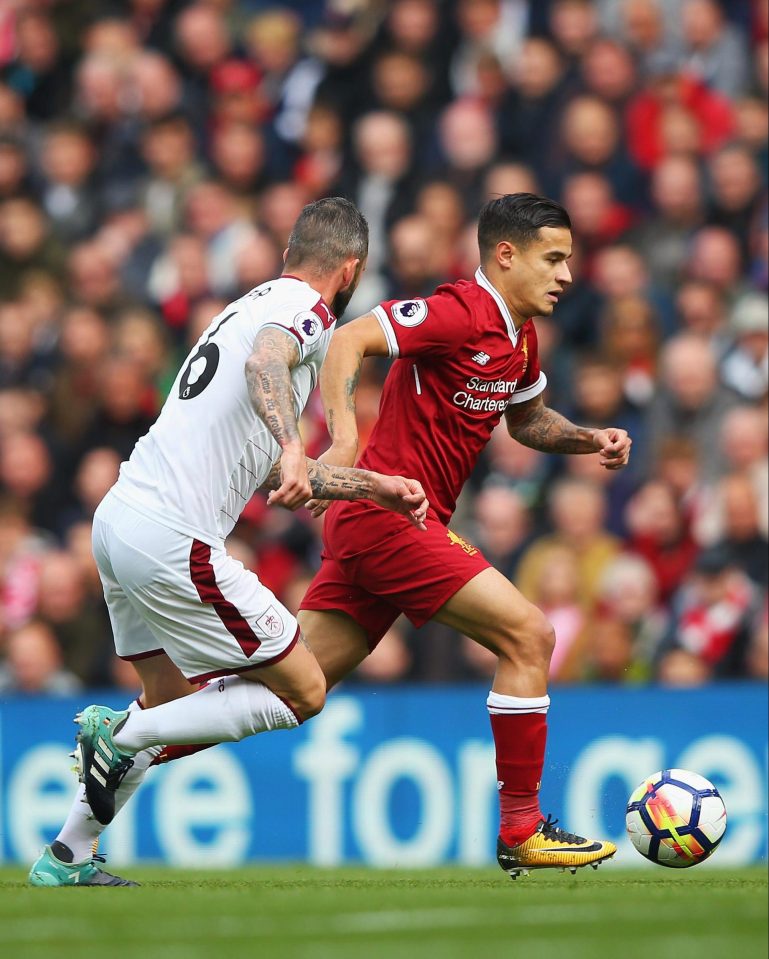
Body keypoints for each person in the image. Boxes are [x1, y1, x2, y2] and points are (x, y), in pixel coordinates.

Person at [28, 197, 428, 887]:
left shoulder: (244, 306)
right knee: (303, 689)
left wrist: (376, 487)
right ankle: (115, 738)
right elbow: (266, 371)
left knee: (164, 702)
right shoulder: (305, 313)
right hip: (171, 537)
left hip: (120, 520)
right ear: (351, 269)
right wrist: (294, 444)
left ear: (287, 252)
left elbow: (269, 465)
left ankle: (66, 853)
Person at [298, 192, 631, 880]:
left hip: (389, 527)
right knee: (529, 635)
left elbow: (525, 421)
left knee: (289, 689)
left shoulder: (518, 335)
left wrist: (587, 439)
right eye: (554, 258)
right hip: (387, 515)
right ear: (504, 254)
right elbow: (347, 338)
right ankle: (522, 826)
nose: (567, 274)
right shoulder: (457, 311)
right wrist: (345, 439)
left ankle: (130, 738)